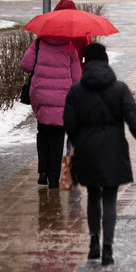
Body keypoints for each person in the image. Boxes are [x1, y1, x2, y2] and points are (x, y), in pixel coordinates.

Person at [63, 43, 136, 266]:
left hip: (87, 151)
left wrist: (80, 140)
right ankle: (108, 249)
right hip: (113, 150)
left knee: (93, 195)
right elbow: (133, 119)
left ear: (85, 63)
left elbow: (69, 123)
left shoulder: (75, 91)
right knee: (110, 198)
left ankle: (93, 241)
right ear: (105, 61)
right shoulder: (119, 88)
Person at [21, 31, 81, 188]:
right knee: (57, 137)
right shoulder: (70, 49)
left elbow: (25, 66)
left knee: (42, 132)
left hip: (40, 96)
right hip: (62, 99)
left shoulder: (39, 44)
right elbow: (77, 80)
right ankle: (54, 179)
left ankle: (42, 171)